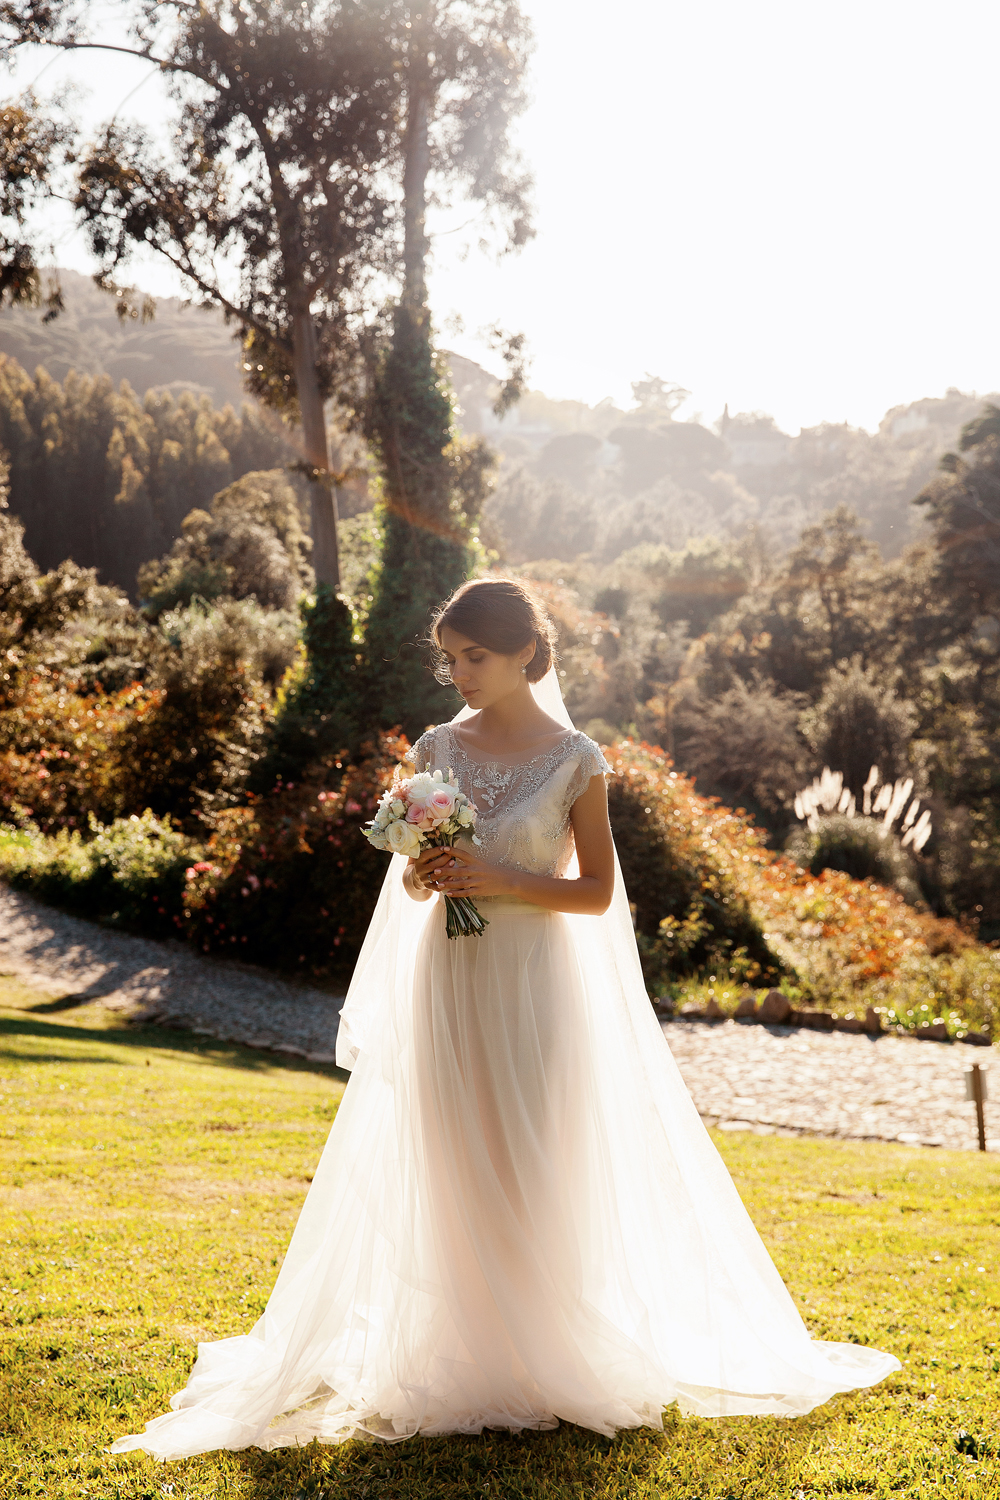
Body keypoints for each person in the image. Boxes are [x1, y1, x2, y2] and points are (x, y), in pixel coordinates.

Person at [111, 578, 899, 1460]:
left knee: (533, 1155)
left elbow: (596, 893)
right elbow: (410, 879)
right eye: (449, 659)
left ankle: (538, 1354)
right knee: (449, 1155)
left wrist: (500, 880)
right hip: (446, 977)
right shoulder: (437, 745)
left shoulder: (577, 760)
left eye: (472, 657)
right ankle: (458, 1353)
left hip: (536, 984)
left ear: (525, 651)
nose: (458, 674)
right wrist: (429, 873)